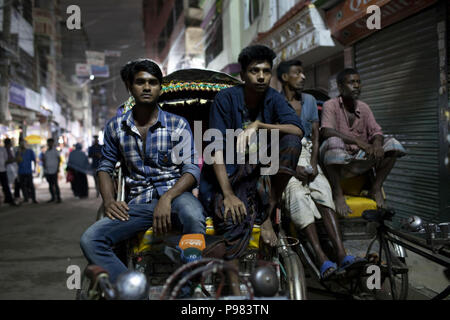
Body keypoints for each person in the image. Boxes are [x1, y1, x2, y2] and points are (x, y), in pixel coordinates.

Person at [80, 59, 206, 285]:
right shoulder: (115, 127)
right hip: (137, 202)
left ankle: (189, 286)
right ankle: (133, 289)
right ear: (130, 86)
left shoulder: (178, 124)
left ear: (160, 88)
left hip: (176, 196)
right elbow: (105, 168)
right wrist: (109, 201)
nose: (147, 87)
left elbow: (190, 168)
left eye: (153, 82)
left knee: (194, 216)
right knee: (91, 239)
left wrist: (167, 198)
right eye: (140, 82)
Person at [199, 45, 304, 261]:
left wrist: (259, 125)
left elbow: (297, 130)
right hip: (228, 174)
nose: (261, 77)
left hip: (260, 171)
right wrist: (228, 194)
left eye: (266, 71)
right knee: (233, 217)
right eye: (254, 71)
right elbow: (215, 148)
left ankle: (266, 213)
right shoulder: (225, 99)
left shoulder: (273, 98)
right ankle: (233, 281)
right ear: (243, 74)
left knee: (292, 142)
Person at [277, 60, 364, 279]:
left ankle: (342, 253)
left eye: (303, 72)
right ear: (285, 78)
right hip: (285, 157)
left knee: (324, 192)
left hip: (308, 155)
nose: (304, 77)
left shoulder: (309, 101)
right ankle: (321, 258)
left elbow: (315, 136)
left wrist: (314, 163)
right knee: (298, 198)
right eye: (298, 73)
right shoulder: (273, 103)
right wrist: (291, 167)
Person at [320, 68, 406, 216]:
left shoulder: (364, 108)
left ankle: (376, 188)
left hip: (359, 160)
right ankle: (338, 194)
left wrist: (377, 145)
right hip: (336, 163)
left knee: (393, 144)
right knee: (333, 140)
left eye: (358, 82)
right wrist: (359, 142)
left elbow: (376, 131)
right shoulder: (330, 105)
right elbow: (326, 131)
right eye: (351, 82)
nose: (356, 86)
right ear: (340, 87)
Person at [16, 138, 37, 203]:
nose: (22, 144)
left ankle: (33, 198)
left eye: (23, 143)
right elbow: (18, 161)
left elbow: (34, 160)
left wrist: (34, 169)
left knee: (31, 185)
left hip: (28, 171)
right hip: (21, 171)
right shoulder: (18, 152)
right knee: (23, 185)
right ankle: (26, 198)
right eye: (21, 143)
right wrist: (19, 152)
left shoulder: (30, 151)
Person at [43, 138, 62, 203]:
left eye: (51, 142)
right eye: (49, 143)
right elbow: (44, 160)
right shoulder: (46, 152)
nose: (50, 144)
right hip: (48, 171)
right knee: (50, 185)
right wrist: (45, 169)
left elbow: (59, 159)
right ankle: (53, 197)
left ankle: (58, 198)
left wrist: (58, 168)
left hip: (54, 170)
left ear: (53, 143)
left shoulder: (55, 151)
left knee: (55, 184)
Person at [0, 138, 16, 206]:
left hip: (3, 170)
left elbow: (7, 159)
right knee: (5, 185)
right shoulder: (3, 150)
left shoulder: (3, 150)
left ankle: (8, 199)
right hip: (3, 169)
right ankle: (8, 199)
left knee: (5, 186)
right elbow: (7, 160)